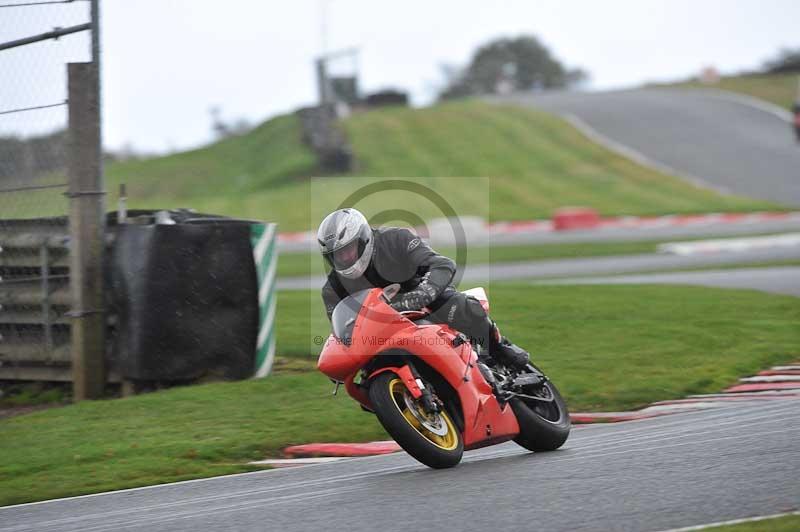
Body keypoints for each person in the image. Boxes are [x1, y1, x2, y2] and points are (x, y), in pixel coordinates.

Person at [318, 207, 530, 369]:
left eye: (348, 250)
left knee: (458, 306)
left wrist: (423, 293)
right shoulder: (332, 290)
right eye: (338, 255)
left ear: (363, 239)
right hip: (382, 331)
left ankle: (500, 347)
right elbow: (343, 335)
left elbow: (441, 264)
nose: (345, 257)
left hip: (424, 302)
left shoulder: (396, 239)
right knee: (366, 376)